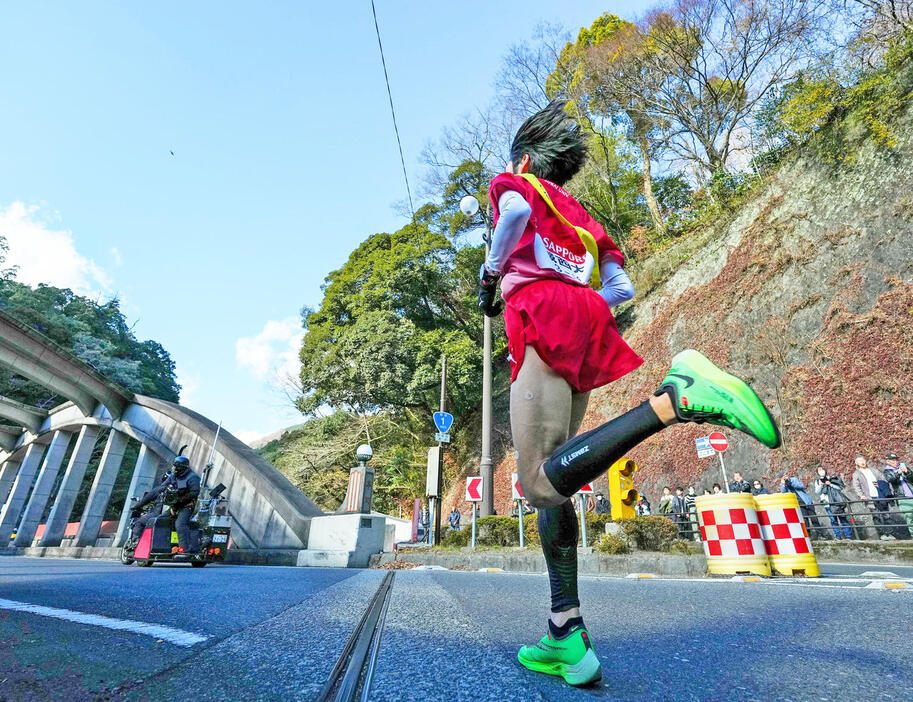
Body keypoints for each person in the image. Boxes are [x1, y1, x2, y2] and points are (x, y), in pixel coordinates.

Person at [477, 101, 780, 687]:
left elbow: (512, 212)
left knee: (536, 480)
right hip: (588, 319)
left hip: (540, 313)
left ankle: (673, 400)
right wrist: (586, 305)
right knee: (555, 490)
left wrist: (493, 273)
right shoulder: (584, 220)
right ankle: (564, 628)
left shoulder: (514, 184)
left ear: (524, 159)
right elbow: (621, 286)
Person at [130, 456, 201, 553]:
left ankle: (185, 550)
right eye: (174, 466)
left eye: (176, 466)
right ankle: (161, 546)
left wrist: (180, 499)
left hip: (187, 506)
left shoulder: (193, 478)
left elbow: (194, 493)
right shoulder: (173, 476)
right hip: (174, 506)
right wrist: (139, 504)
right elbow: (158, 490)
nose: (174, 468)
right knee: (159, 521)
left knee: (180, 524)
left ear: (182, 467)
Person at [852, 455, 894, 540]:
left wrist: (880, 484)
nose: (862, 462)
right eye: (859, 461)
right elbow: (856, 486)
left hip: (880, 495)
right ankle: (882, 535)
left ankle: (889, 534)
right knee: (876, 516)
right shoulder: (857, 474)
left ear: (866, 460)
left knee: (886, 515)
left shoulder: (874, 470)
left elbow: (883, 479)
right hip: (870, 498)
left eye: (863, 460)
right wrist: (861, 495)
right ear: (856, 463)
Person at [814, 467, 852, 539]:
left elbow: (840, 488)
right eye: (819, 470)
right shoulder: (817, 481)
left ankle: (848, 536)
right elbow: (817, 492)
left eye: (822, 469)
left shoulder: (831, 478)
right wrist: (820, 486)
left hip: (836, 502)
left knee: (843, 519)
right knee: (833, 520)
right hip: (827, 503)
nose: (821, 471)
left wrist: (830, 484)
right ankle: (838, 536)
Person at [883, 452, 913, 538]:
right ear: (888, 461)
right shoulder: (887, 471)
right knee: (909, 517)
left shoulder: (903, 467)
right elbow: (890, 479)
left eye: (896, 459)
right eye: (893, 460)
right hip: (902, 497)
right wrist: (898, 473)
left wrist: (907, 472)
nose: (895, 461)